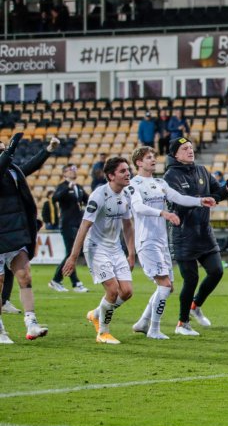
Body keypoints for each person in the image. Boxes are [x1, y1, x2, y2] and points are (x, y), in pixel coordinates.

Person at [126, 147, 215, 339]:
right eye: (148, 157)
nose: (153, 160)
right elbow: (138, 207)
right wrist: (163, 213)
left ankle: (142, 322)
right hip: (147, 241)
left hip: (161, 241)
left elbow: (179, 198)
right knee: (165, 286)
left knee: (167, 287)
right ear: (139, 163)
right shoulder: (133, 184)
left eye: (154, 157)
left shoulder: (159, 182)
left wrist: (201, 201)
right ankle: (154, 329)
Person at [62, 156, 137, 345]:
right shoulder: (99, 196)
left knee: (126, 292)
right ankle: (103, 332)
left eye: (128, 169)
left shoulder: (127, 194)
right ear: (111, 176)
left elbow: (128, 225)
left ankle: (96, 314)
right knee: (112, 291)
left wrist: (131, 253)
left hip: (115, 248)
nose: (128, 173)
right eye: (122, 171)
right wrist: (73, 257)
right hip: (96, 247)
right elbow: (84, 227)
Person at [164, 137, 228, 335]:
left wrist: (226, 190)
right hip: (184, 235)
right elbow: (178, 202)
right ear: (175, 154)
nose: (190, 151)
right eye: (185, 148)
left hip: (204, 233)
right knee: (191, 279)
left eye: (191, 148)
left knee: (217, 271)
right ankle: (182, 323)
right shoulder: (171, 176)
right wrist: (200, 200)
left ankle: (195, 306)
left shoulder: (201, 170)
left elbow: (215, 194)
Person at [0, 133, 50, 342]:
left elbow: (30, 166)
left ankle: (31, 324)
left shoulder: (12, 170)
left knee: (25, 276)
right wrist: (11, 148)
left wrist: (47, 150)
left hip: (16, 231)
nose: (2, 150)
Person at [49, 163, 90, 293]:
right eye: (70, 170)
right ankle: (63, 281)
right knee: (71, 253)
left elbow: (88, 200)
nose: (73, 171)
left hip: (77, 224)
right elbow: (55, 198)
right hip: (67, 224)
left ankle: (68, 282)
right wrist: (67, 188)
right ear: (64, 173)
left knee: (73, 253)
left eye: (74, 169)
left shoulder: (78, 187)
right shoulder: (62, 186)